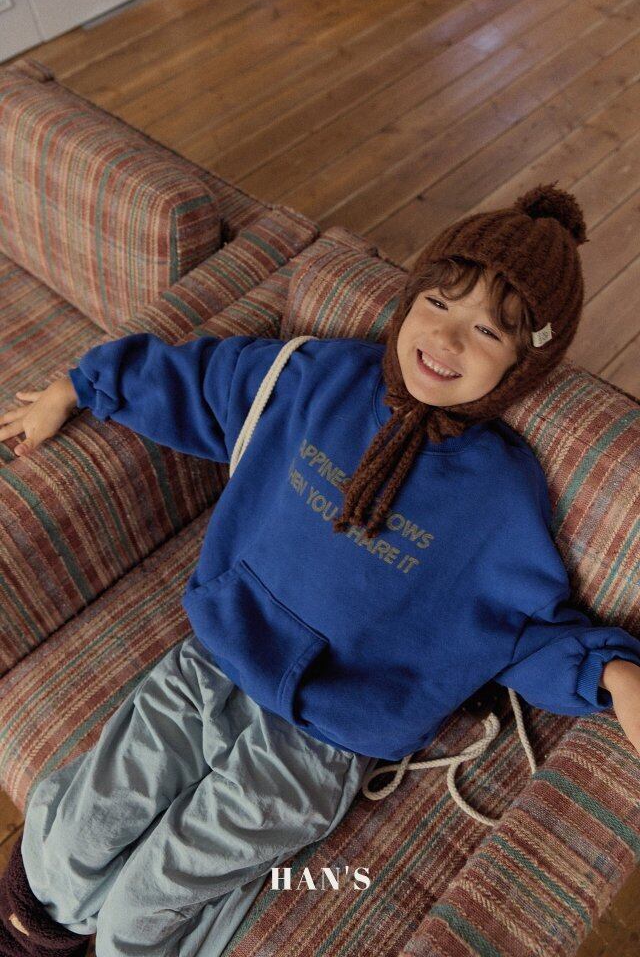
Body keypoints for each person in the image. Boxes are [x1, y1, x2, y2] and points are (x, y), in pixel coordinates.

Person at [0, 182, 638, 957]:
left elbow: (521, 627)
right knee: (65, 852)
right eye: (438, 302)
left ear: (523, 363)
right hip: (212, 663)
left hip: (321, 741)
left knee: (142, 910)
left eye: (486, 330)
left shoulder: (503, 494)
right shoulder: (317, 377)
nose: (446, 339)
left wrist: (611, 675)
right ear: (411, 296)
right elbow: (197, 382)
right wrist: (79, 386)